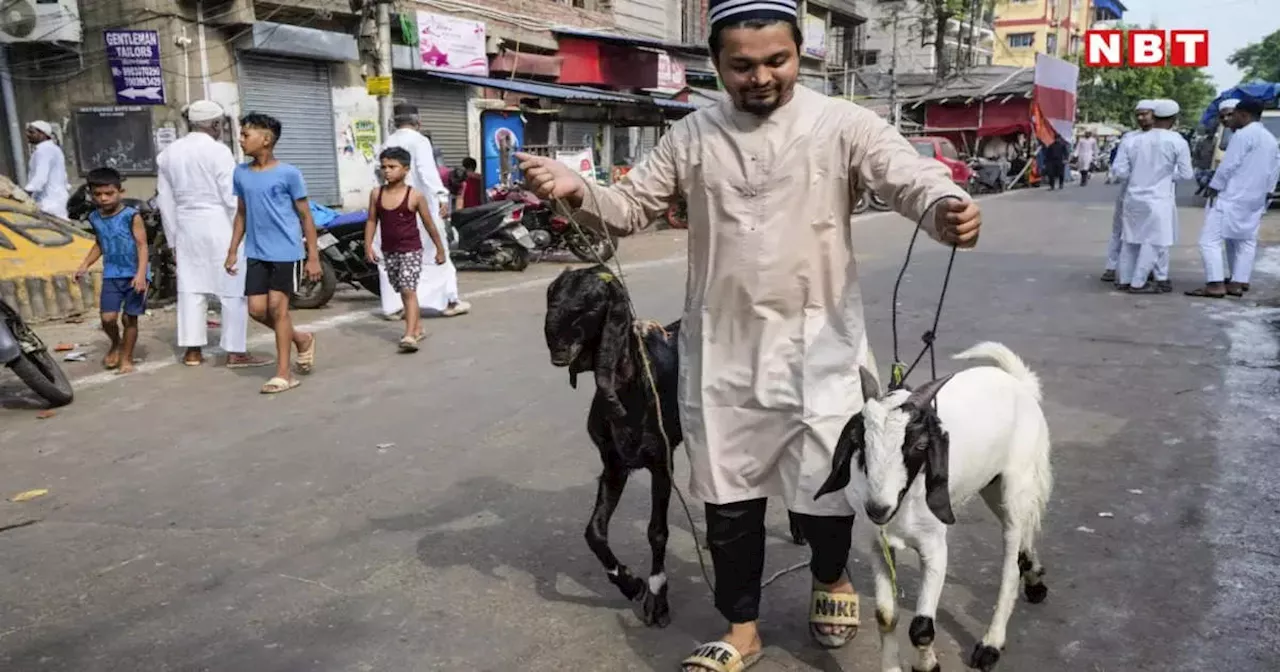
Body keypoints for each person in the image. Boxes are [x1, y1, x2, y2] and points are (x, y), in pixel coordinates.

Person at [516, 0, 982, 667]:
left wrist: (945, 207)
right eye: (742, 65)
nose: (761, 77)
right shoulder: (692, 136)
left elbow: (907, 176)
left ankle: (831, 578)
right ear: (716, 64)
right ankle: (742, 630)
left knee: (825, 490)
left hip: (821, 350)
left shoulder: (842, 124)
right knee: (726, 498)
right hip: (722, 353)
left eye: (777, 61)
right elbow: (628, 207)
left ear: (800, 54)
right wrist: (576, 188)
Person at [157, 100, 270, 369]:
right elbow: (231, 198)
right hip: (219, 223)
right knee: (232, 288)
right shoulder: (218, 152)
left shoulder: (169, 153)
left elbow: (165, 201)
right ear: (216, 125)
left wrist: (173, 239)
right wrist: (244, 232)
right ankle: (235, 351)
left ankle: (193, 351)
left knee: (191, 288)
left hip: (186, 225)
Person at [224, 113, 320, 394]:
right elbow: (241, 214)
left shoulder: (289, 173)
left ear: (265, 140)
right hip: (256, 252)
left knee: (279, 310)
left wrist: (312, 256)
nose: (241, 140)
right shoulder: (240, 172)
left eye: (246, 135)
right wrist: (232, 250)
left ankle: (283, 374)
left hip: (286, 252)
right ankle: (301, 339)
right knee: (256, 310)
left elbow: (305, 216)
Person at [376, 103, 471, 320]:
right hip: (418, 208)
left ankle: (394, 307)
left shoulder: (386, 143)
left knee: (392, 257)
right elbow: (427, 173)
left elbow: (378, 175)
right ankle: (448, 301)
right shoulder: (419, 141)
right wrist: (440, 197)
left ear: (395, 122)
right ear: (418, 122)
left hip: (390, 208)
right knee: (436, 253)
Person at [1187, 97, 1280, 298]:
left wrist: (1214, 187)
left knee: (1209, 241)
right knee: (1245, 240)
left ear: (1244, 115)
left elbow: (1229, 165)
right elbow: (1275, 169)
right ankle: (1238, 282)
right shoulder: (1270, 139)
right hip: (1255, 199)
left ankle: (1215, 285)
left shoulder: (1243, 135)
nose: (1230, 119)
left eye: (1234, 114)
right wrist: (1267, 192)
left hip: (1232, 197)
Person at [363, 147, 447, 351]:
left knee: (408, 289)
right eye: (384, 167)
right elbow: (372, 220)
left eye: (392, 167)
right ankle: (417, 327)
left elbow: (428, 223)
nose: (387, 171)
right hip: (389, 250)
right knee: (401, 287)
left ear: (406, 169)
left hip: (411, 249)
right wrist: (368, 245)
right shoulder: (376, 194)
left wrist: (439, 249)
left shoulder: (414, 196)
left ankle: (409, 334)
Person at [1111, 99, 1193, 294]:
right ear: (1173, 119)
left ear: (1153, 117)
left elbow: (1119, 171)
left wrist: (1138, 177)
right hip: (1159, 198)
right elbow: (1186, 174)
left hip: (1133, 197)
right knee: (1154, 242)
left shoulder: (1132, 140)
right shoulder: (1177, 141)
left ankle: (1124, 278)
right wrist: (1164, 177)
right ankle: (1138, 283)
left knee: (1130, 239)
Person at [73, 168, 149, 375]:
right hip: (112, 274)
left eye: (109, 193)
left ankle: (127, 357)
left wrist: (141, 274)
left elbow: (142, 245)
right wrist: (84, 265)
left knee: (129, 318)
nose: (104, 198)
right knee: (107, 318)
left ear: (120, 191)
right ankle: (116, 343)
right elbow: (100, 243)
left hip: (134, 274)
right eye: (98, 195)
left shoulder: (131, 216)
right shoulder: (95, 218)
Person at [1101, 100, 1155, 284]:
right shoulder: (1129, 138)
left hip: (1156, 195)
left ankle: (1147, 269)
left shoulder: (1167, 138)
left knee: (1150, 234)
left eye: (1145, 113)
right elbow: (1119, 169)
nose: (1141, 117)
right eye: (1138, 114)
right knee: (1120, 231)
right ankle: (1111, 267)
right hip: (1129, 192)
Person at [23, 120, 69, 219]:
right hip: (55, 198)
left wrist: (25, 193)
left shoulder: (44, 150)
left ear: (43, 134)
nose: (28, 135)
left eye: (32, 132)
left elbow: (40, 176)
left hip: (49, 200)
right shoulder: (52, 149)